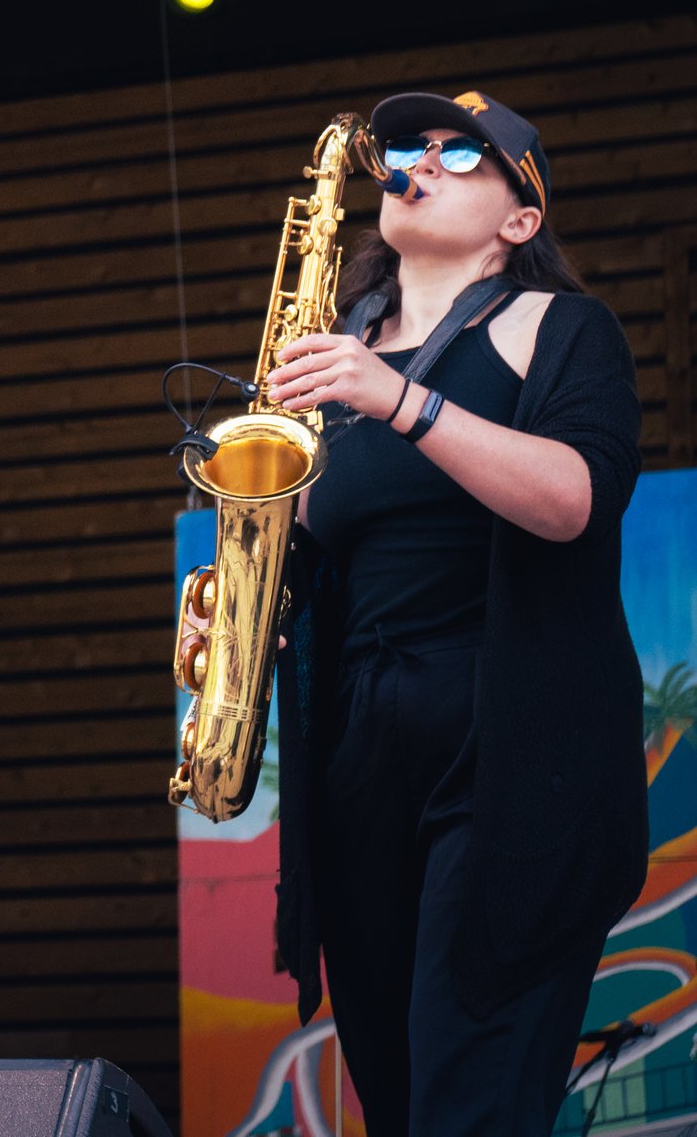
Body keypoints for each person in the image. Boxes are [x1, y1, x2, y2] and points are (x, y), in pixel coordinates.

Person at [265, 91, 646, 1136]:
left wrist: (400, 402)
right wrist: (237, 626)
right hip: (361, 745)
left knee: (466, 1100)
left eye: (459, 150)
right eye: (404, 145)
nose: (413, 161)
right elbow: (307, 557)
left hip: (510, 737)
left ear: (519, 218)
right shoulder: (330, 351)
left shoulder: (559, 328)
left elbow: (572, 496)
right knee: (398, 1101)